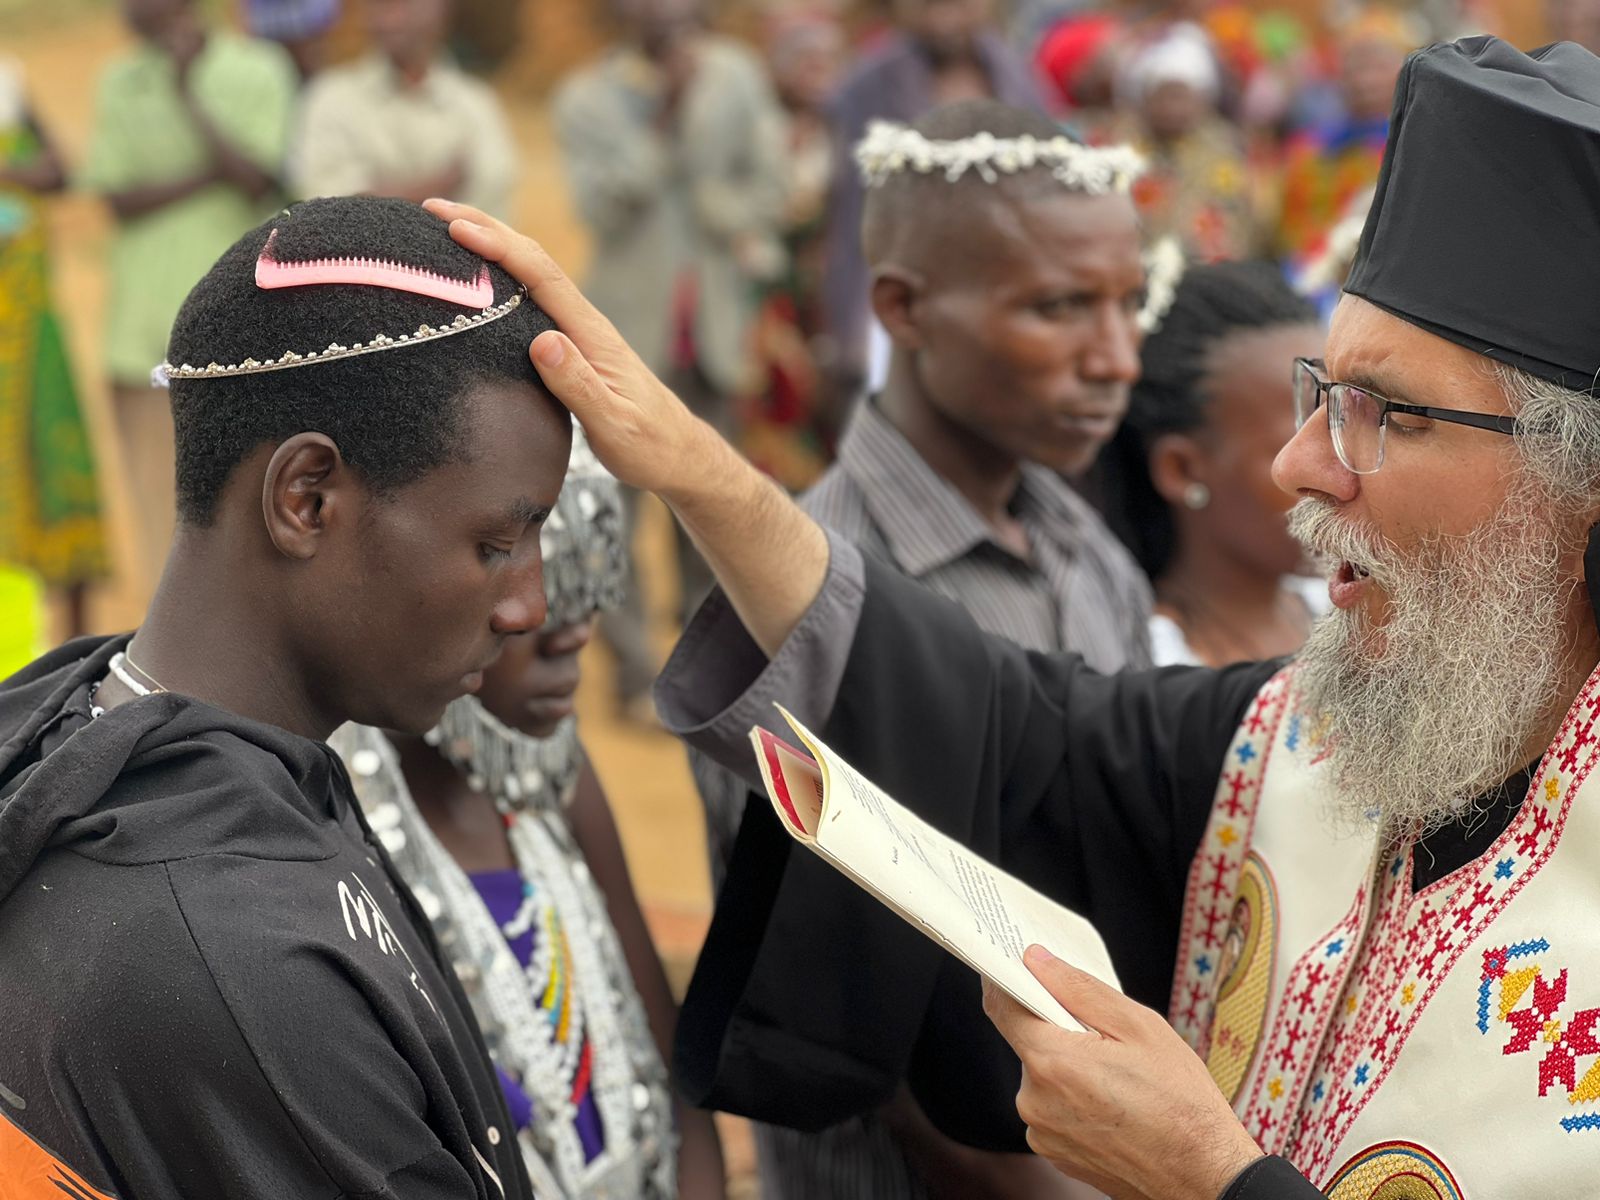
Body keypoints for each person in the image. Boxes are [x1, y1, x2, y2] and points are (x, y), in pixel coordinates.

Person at [425, 32, 1600, 1198]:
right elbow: (1019, 736)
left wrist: (1206, 1181)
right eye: (1319, 396)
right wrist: (704, 476)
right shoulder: (1315, 741)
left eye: (1385, 414)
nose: (1299, 465)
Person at [0, 196, 569, 1198]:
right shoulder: (238, 962)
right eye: (494, 543)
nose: (527, 604)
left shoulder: (72, 722)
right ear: (305, 498)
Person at [696, 99, 1154, 1200]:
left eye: (1130, 305)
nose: (1116, 358)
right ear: (903, 308)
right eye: (1059, 308)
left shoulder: (1091, 559)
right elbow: (860, 1015)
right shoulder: (810, 593)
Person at [333, 429, 726, 1198]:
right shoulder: (348, 828)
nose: (569, 645)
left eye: (586, 624)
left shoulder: (562, 790)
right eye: (538, 626)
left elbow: (669, 1062)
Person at [553, 0, 787, 722]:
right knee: (613, 516)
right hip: (626, 338)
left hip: (713, 335)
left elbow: (770, 188)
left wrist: (720, 208)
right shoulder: (585, 98)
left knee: (706, 508)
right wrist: (666, 118)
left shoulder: (738, 77)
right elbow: (601, 208)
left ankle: (700, 676)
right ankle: (633, 678)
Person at [81, 0, 296, 604]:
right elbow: (117, 197)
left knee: (250, 512)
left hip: (244, 336)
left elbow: (257, 177)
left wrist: (188, 95)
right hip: (141, 333)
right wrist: (208, 176)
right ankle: (172, 682)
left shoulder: (258, 70)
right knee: (160, 519)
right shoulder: (118, 81)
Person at [1091, 260, 1325, 666]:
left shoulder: (1342, 615)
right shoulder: (1150, 668)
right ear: (1180, 469)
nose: (1342, 473)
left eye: (1339, 428)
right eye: (1292, 447)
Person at [819, 0, 1043, 413]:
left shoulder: (1016, 79)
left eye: (959, 7)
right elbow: (849, 212)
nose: (947, 20)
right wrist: (850, 327)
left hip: (1000, 286)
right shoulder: (869, 86)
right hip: (902, 288)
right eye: (932, 7)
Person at [0, 61, 110, 643]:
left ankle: (73, 653)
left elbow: (60, 170)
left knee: (54, 470)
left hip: (29, 324)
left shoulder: (8, 85)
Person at [738, 8, 847, 493]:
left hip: (831, 307)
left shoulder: (847, 135)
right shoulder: (753, 135)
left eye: (827, 60)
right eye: (803, 59)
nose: (817, 71)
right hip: (766, 306)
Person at [292, 0, 518, 218]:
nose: (387, 19)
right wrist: (438, 187)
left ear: (440, 8)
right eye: (377, 4)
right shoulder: (331, 98)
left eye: (401, 3)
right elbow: (329, 208)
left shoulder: (476, 104)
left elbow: (489, 213)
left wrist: (381, 196)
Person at [1105, 23, 1262, 262]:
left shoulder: (1223, 147)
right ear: (1146, 98)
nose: (1172, 108)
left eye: (1181, 96)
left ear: (1202, 99)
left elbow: (1241, 222)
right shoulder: (1122, 145)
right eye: (1164, 95)